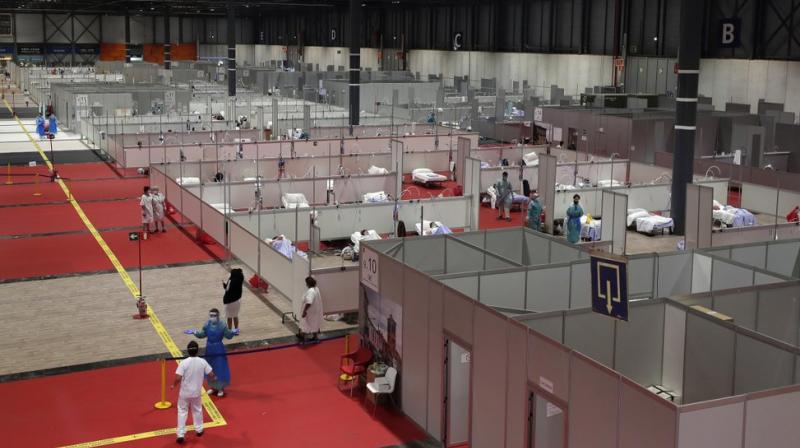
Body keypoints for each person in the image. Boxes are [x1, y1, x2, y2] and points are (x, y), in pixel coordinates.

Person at [172, 341, 215, 444]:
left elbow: (178, 377)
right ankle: (199, 429)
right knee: (197, 410)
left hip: (185, 393)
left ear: (188, 351)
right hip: (196, 393)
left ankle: (181, 434)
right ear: (197, 350)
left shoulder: (184, 362)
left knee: (182, 411)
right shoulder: (202, 362)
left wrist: (173, 385)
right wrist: (214, 378)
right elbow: (211, 374)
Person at [193, 308, 235, 397]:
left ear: (218, 316)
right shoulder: (207, 325)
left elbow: (228, 336)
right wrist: (195, 332)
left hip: (219, 349)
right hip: (209, 349)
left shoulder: (222, 325)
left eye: (214, 315)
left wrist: (233, 333)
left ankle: (220, 388)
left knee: (219, 368)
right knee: (210, 368)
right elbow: (202, 334)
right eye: (211, 315)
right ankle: (212, 387)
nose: (212, 317)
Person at [298, 276, 323, 342]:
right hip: (315, 310)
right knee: (314, 323)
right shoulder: (316, 289)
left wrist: (304, 311)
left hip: (310, 311)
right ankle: (315, 336)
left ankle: (302, 335)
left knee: (305, 323)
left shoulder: (311, 291)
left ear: (308, 284)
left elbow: (309, 302)